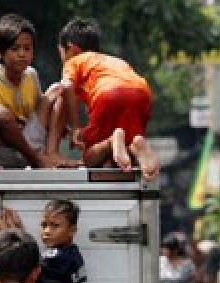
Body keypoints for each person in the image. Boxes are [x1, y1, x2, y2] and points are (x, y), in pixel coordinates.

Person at [58, 17, 159, 179]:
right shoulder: (112, 61)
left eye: (61, 54)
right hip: (141, 92)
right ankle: (137, 146)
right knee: (125, 152)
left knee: (90, 158)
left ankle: (112, 141)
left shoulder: (74, 61)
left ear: (71, 49)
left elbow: (66, 87)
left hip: (109, 93)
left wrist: (76, 126)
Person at [0, 13, 75, 172]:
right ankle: (38, 160)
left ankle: (51, 153)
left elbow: (39, 109)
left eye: (27, 49)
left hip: (28, 142)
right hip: (0, 151)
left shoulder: (31, 75)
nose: (22, 54)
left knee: (58, 89)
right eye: (15, 49)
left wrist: (59, 124)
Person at [35, 199, 90, 283]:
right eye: (44, 225)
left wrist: (12, 232)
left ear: (72, 230)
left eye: (55, 226)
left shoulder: (60, 258)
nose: (47, 231)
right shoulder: (71, 252)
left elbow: (24, 262)